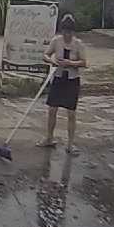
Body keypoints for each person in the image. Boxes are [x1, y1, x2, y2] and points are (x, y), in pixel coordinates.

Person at [39, 13, 86, 154]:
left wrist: (70, 63)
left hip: (72, 80)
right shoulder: (56, 41)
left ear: (73, 31)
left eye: (69, 31)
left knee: (71, 113)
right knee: (52, 110)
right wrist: (52, 61)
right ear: (62, 30)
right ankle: (49, 138)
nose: (67, 34)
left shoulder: (78, 44)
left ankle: (70, 144)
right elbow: (45, 55)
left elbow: (84, 62)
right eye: (65, 31)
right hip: (58, 78)